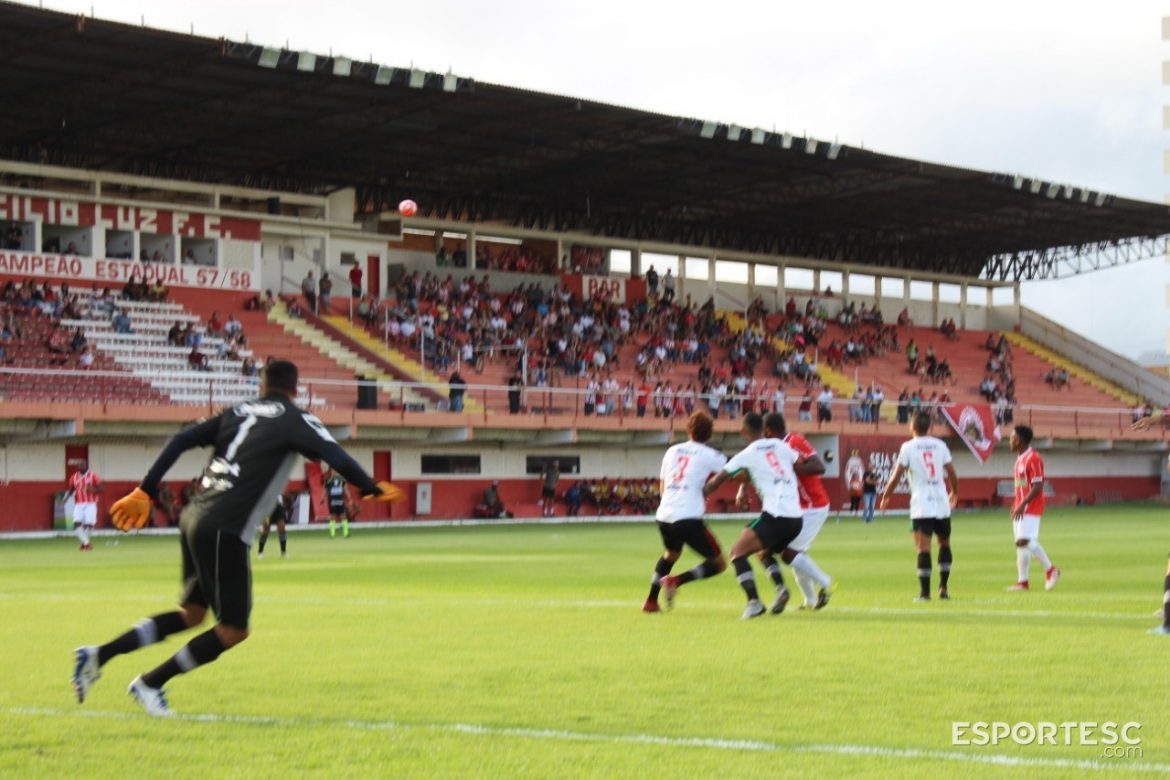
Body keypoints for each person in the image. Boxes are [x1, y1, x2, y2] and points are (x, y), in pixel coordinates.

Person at [72, 360, 403, 716]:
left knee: (193, 614)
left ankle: (96, 656)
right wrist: (368, 487)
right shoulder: (296, 418)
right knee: (234, 629)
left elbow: (182, 438)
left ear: (263, 385)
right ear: (295, 387)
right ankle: (150, 683)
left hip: (194, 517)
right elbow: (333, 453)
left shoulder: (235, 411)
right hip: (225, 527)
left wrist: (146, 489)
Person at [701, 412, 816, 619]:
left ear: (743, 431)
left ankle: (754, 602)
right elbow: (801, 464)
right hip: (796, 518)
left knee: (737, 552)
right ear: (763, 429)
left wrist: (698, 495)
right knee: (762, 552)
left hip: (776, 515)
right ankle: (781, 589)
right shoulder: (781, 446)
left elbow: (716, 481)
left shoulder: (747, 454)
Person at [648, 412, 728, 613]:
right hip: (688, 518)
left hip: (664, 515)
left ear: (688, 430)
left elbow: (663, 486)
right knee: (719, 564)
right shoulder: (710, 454)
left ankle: (650, 601)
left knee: (671, 554)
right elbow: (732, 470)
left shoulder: (672, 451)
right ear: (709, 434)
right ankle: (676, 580)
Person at [753, 419, 834, 612]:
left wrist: (792, 468)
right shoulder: (775, 448)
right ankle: (810, 600)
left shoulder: (794, 441)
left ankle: (826, 582)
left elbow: (819, 467)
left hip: (814, 505)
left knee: (786, 552)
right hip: (798, 507)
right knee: (796, 556)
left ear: (768, 430)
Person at [878, 411, 959, 602]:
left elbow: (897, 475)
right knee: (944, 544)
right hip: (940, 499)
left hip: (922, 502)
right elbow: (952, 472)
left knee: (923, 548)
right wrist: (955, 493)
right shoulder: (940, 445)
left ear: (911, 427)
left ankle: (924, 593)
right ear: (929, 427)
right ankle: (943, 588)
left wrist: (886, 496)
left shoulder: (908, 447)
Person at [1008, 425, 1060, 592]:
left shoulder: (1033, 458)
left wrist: (1023, 504)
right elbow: (1021, 486)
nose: (1010, 440)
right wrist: (1016, 503)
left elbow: (1038, 485)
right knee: (1021, 545)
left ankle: (1051, 569)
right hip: (1021, 505)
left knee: (1023, 540)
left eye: (1013, 437)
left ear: (1021, 440)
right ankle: (1023, 582)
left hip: (1032, 506)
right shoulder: (1019, 459)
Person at [66, 462, 103, 552]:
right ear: (77, 467)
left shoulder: (93, 476)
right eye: (79, 466)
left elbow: (102, 488)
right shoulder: (74, 477)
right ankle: (87, 543)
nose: (81, 467)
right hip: (78, 503)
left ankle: (84, 544)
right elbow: (72, 489)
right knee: (76, 523)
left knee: (90, 525)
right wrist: (66, 498)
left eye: (83, 465)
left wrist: (93, 489)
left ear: (86, 466)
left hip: (90, 503)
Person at [257, 492, 292, 559]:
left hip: (278, 506)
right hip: (267, 507)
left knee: (282, 528)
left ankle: (283, 552)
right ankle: (260, 552)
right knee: (266, 530)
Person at [323, 468, 353, 539]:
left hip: (340, 500)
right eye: (333, 470)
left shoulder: (342, 480)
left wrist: (350, 499)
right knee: (333, 516)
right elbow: (325, 490)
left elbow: (346, 489)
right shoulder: (328, 480)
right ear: (330, 471)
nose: (334, 472)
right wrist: (323, 498)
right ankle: (332, 534)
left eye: (335, 470)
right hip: (332, 500)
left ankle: (346, 533)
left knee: (343, 516)